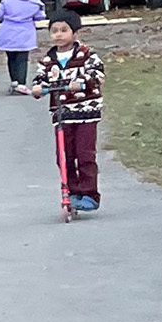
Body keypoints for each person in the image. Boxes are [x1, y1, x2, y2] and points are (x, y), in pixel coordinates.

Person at [30, 11, 105, 212]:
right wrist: (37, 88)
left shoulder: (86, 54)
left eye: (64, 30)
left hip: (85, 112)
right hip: (62, 114)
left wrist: (82, 83)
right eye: (54, 31)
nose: (59, 35)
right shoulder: (48, 60)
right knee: (64, 155)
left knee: (84, 154)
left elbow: (97, 74)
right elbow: (40, 80)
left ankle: (89, 193)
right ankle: (71, 191)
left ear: (75, 32)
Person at [0, 0, 47, 94]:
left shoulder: (6, 2)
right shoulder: (34, 4)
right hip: (24, 34)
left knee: (11, 58)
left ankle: (14, 81)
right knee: (22, 59)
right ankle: (22, 84)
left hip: (7, 33)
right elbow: (40, 16)